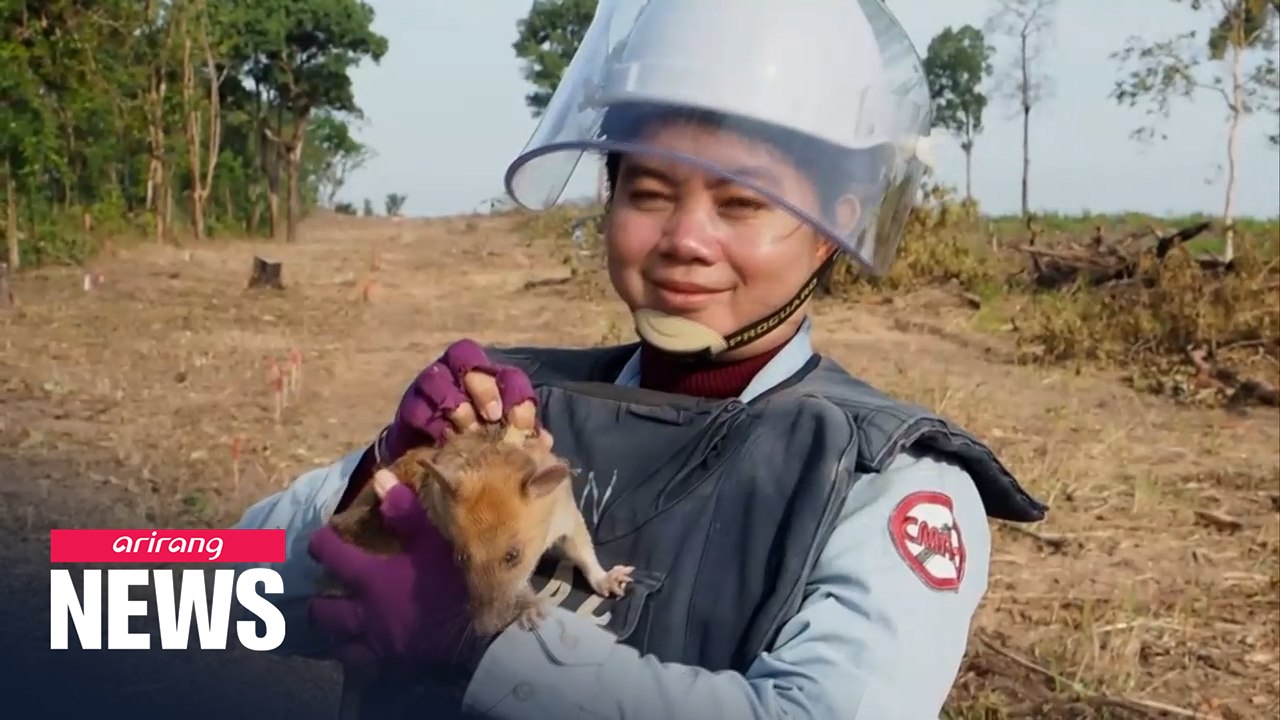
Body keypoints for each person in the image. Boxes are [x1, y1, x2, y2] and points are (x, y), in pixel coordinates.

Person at [231, 0, 1048, 718]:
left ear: (835, 221)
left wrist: (483, 650)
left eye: (743, 201)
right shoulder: (515, 419)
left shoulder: (882, 482)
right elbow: (208, 596)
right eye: (650, 192)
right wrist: (383, 477)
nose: (685, 241)